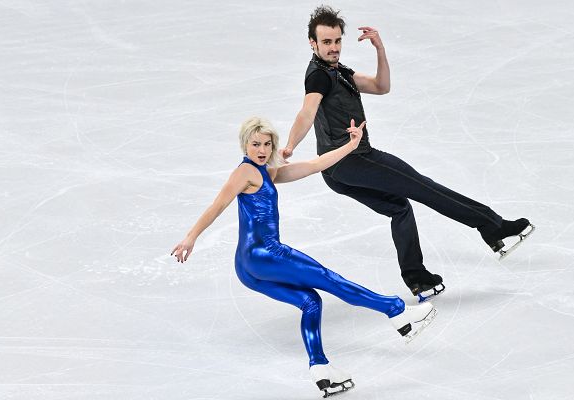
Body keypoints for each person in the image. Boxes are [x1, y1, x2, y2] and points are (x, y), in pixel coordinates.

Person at [280, 6, 534, 302]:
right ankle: (494, 226)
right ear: (313, 43)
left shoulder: (339, 73)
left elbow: (381, 86)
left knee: (399, 208)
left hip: (336, 172)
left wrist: (380, 49)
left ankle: (418, 279)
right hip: (354, 160)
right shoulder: (319, 78)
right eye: (326, 42)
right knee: (425, 188)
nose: (333, 47)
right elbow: (306, 112)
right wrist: (290, 145)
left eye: (337, 41)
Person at [171, 117, 437, 397]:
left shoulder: (267, 172)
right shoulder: (244, 173)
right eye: (255, 144)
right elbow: (218, 204)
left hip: (247, 267)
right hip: (266, 254)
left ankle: (320, 369)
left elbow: (314, 166)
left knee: (311, 302)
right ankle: (397, 312)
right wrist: (191, 237)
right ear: (244, 145)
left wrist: (351, 145)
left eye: (267, 144)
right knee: (329, 279)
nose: (262, 149)